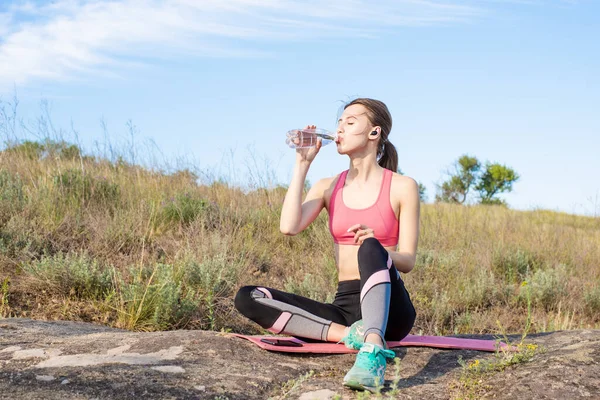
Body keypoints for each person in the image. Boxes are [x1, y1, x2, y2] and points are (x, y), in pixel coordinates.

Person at [234, 98, 419, 392]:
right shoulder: (327, 186)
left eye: (349, 122)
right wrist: (302, 164)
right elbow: (288, 227)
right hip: (346, 308)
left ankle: (372, 352)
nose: (339, 129)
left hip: (391, 309)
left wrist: (377, 245)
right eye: (338, 123)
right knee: (248, 297)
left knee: (370, 248)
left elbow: (407, 260)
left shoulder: (402, 185)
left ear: (374, 133)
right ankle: (350, 334)